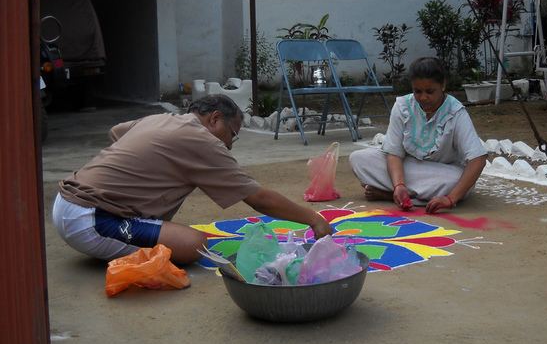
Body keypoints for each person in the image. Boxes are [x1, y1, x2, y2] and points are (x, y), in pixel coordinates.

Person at [52, 94, 332, 263]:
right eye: (232, 134)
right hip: (90, 220)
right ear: (214, 119)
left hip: (66, 203)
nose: (230, 145)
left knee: (176, 234)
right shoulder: (202, 141)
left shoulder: (163, 119)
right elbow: (257, 198)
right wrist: (314, 219)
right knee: (194, 244)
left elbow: (116, 132)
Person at [349, 57, 487, 213]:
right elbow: (393, 153)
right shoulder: (402, 106)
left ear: (443, 85)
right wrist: (399, 185)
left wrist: (450, 198)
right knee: (358, 159)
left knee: (457, 181)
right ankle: (401, 193)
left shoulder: (455, 111)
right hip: (406, 167)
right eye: (417, 91)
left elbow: (478, 159)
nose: (423, 97)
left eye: (430, 91)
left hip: (443, 173)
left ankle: (391, 195)